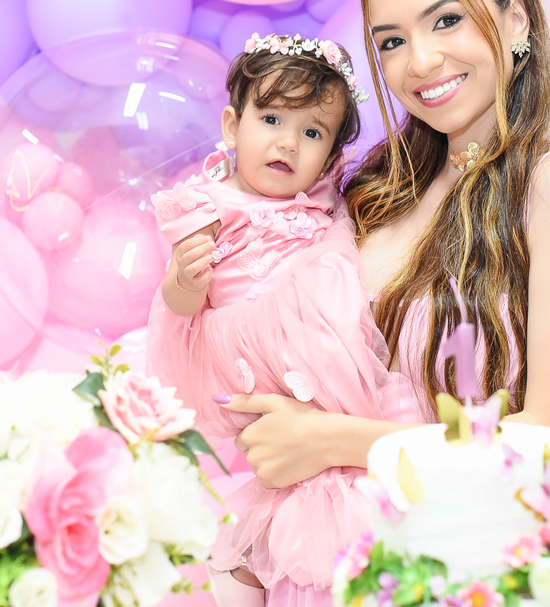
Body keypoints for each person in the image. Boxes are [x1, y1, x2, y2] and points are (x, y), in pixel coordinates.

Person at [219, 0, 550, 506]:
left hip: (463, 549)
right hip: (326, 543)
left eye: (447, 20)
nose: (421, 61)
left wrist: (334, 441)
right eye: (393, 41)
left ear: (516, 19)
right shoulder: (370, 192)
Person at [146, 33, 406, 607]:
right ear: (232, 126)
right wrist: (185, 280)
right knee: (273, 515)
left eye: (312, 132)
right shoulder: (207, 207)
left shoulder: (324, 204)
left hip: (328, 365)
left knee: (353, 471)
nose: (288, 141)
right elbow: (179, 311)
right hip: (259, 360)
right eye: (270, 119)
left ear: (330, 158)